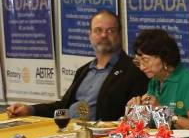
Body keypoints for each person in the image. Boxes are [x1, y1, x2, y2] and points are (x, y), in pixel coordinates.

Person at [5, 9, 147, 121]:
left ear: (120, 34)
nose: (104, 35)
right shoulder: (83, 71)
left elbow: (135, 115)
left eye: (110, 30)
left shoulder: (135, 70)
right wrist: (30, 110)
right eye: (98, 30)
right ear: (89, 35)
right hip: (69, 133)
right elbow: (63, 107)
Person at [127, 29, 189, 132]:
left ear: (164, 57)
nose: (142, 68)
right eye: (138, 62)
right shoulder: (155, 81)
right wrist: (136, 111)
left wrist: (162, 111)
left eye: (145, 60)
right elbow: (151, 124)